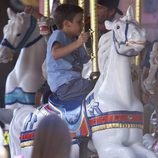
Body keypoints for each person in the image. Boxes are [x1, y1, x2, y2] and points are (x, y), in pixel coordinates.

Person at [46, 3, 94, 101]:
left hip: (74, 82)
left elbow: (86, 60)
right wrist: (78, 42)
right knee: (97, 86)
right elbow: (55, 53)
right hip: (64, 84)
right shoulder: (58, 34)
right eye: (79, 22)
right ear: (67, 24)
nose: (82, 24)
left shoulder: (73, 40)